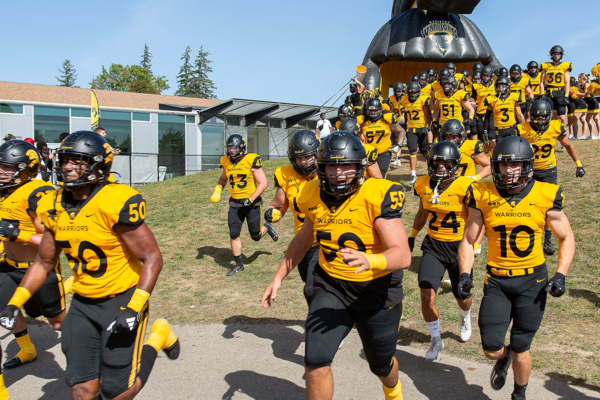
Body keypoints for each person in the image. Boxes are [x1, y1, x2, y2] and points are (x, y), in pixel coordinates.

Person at [0, 131, 180, 399]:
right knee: (82, 391)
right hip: (83, 303)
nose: (69, 167)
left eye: (78, 161)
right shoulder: (53, 204)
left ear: (99, 164)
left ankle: (157, 339)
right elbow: (44, 261)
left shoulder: (114, 200)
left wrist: (134, 307)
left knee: (117, 391)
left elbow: (152, 257)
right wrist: (16, 302)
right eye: (65, 160)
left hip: (121, 299)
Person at [261, 131, 410, 400]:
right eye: (332, 164)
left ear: (360, 167)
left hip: (376, 291)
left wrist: (372, 260)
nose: (339, 172)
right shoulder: (311, 193)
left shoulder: (376, 194)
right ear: (321, 167)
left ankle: (393, 393)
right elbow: (303, 240)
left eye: (346, 165)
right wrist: (278, 276)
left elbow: (403, 255)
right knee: (315, 359)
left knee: (380, 363)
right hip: (331, 286)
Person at [457, 136, 575, 400]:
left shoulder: (545, 193)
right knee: (490, 348)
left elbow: (565, 237)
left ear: (528, 166)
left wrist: (561, 274)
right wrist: (465, 272)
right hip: (497, 280)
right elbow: (468, 238)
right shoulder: (481, 193)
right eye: (503, 165)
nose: (509, 171)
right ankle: (504, 357)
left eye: (516, 165)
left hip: (532, 282)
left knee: (522, 346)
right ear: (495, 166)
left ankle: (519, 394)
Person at [0, 140, 65, 373]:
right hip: (8, 266)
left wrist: (15, 233)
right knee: (5, 310)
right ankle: (26, 348)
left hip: (38, 269)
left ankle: (90, 355)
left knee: (58, 322)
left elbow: (53, 240)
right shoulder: (4, 191)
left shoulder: (37, 193)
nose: (1, 171)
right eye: (0, 165)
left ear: (29, 169)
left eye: (8, 167)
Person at [409, 141, 476, 361]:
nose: (442, 168)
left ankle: (465, 316)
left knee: (462, 295)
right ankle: (436, 339)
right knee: (426, 291)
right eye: (437, 163)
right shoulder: (423, 184)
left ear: (456, 165)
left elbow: (477, 220)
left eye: (447, 164)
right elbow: (422, 212)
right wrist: (412, 236)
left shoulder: (466, 186)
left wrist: (473, 244)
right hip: (434, 245)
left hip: (459, 247)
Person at [517, 99, 585, 256]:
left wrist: (578, 164)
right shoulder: (522, 128)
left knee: (549, 207)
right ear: (531, 116)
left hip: (548, 170)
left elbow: (568, 145)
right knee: (527, 205)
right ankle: (529, 236)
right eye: (537, 117)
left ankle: (547, 241)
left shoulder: (555, 126)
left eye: (543, 117)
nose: (540, 120)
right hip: (529, 171)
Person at [264, 130, 321, 302]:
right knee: (310, 286)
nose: (303, 162)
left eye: (307, 157)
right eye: (298, 158)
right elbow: (278, 205)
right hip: (303, 242)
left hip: (325, 238)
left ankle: (317, 327)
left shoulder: (328, 170)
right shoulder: (285, 174)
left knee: (313, 288)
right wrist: (273, 214)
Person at [210, 134, 277, 276]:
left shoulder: (251, 160)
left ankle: (267, 227)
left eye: (234, 147)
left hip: (252, 204)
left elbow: (263, 183)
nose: (232, 151)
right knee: (234, 234)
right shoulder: (226, 161)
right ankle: (239, 264)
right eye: (229, 147)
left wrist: (251, 198)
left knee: (256, 236)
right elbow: (223, 179)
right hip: (235, 203)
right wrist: (218, 190)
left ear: (241, 148)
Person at [440, 120, 490, 257]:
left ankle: (476, 244)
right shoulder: (443, 148)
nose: (450, 140)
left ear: (461, 135)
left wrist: (476, 178)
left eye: (453, 137)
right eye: (448, 137)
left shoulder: (470, 146)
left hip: (468, 189)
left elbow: (489, 165)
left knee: (475, 217)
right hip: (451, 189)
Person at [357, 98, 405, 178]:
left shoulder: (387, 117)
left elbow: (401, 131)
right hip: (368, 153)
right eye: (371, 110)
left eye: (375, 110)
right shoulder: (361, 120)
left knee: (379, 177)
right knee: (366, 178)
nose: (373, 113)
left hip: (384, 152)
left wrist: (398, 145)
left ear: (380, 110)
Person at [401, 82, 432, 184]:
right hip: (411, 129)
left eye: (415, 93)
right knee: (412, 151)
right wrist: (406, 125)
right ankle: (413, 174)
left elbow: (428, 115)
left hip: (421, 128)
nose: (413, 95)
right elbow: (405, 113)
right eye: (411, 93)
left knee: (424, 151)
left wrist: (427, 127)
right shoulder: (404, 99)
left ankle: (431, 164)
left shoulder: (423, 99)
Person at [483, 76, 524, 148]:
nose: (500, 88)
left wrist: (524, 127)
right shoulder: (492, 99)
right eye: (498, 86)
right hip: (499, 131)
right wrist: (485, 130)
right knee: (501, 150)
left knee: (513, 148)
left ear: (507, 87)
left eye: (503, 86)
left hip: (512, 129)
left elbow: (519, 115)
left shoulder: (513, 97)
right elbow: (487, 116)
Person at [540, 45, 572, 126]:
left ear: (561, 55)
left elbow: (567, 82)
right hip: (549, 93)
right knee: (547, 115)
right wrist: (542, 93)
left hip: (560, 92)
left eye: (558, 54)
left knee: (562, 117)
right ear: (551, 55)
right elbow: (541, 82)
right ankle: (549, 134)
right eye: (555, 54)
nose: (556, 56)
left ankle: (563, 134)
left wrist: (567, 95)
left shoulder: (565, 65)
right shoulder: (545, 65)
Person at [472, 66, 497, 150]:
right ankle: (487, 156)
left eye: (487, 75)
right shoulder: (476, 86)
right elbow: (472, 100)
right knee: (483, 137)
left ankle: (494, 155)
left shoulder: (495, 86)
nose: (485, 77)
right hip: (480, 113)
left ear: (491, 76)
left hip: (492, 114)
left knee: (492, 136)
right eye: (484, 76)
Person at [567, 75, 588, 140]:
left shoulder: (571, 89)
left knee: (574, 119)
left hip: (580, 105)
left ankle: (575, 136)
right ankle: (583, 136)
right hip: (582, 104)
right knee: (583, 120)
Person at [583, 74, 600, 138]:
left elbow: (586, 94)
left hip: (592, 103)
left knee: (588, 119)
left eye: (579, 77)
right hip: (591, 102)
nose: (578, 78)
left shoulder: (586, 84)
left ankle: (592, 135)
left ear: (582, 78)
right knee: (596, 118)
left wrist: (577, 94)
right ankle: (597, 134)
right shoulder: (585, 84)